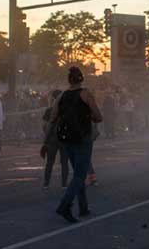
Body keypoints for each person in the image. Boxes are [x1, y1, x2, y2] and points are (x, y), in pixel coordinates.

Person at [41, 67, 103, 224]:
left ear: (69, 80)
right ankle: (65, 205)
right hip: (83, 139)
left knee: (77, 173)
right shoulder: (86, 94)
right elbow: (98, 116)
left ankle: (83, 207)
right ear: (81, 79)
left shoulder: (61, 96)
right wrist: (90, 117)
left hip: (66, 139)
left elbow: (52, 120)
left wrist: (45, 143)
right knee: (80, 175)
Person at [42, 90, 69, 190]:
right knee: (64, 162)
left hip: (52, 139)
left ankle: (46, 183)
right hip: (64, 139)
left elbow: (44, 126)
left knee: (50, 162)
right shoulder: (67, 110)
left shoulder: (49, 110)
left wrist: (46, 138)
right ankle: (64, 184)